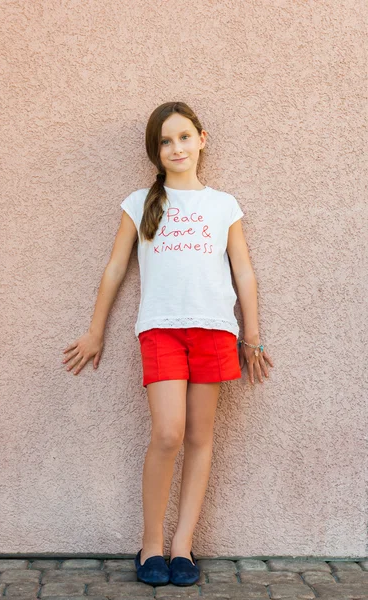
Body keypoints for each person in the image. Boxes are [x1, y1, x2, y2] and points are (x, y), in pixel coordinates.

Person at [62, 101, 274, 587]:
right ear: (155, 152)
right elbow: (116, 268)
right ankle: (151, 544)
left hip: (215, 329)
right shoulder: (139, 203)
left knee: (201, 436)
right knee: (168, 433)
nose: (175, 147)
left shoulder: (224, 205)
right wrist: (95, 331)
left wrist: (253, 336)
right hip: (160, 328)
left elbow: (243, 271)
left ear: (202, 138)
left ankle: (182, 546)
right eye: (165, 141)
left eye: (183, 137)